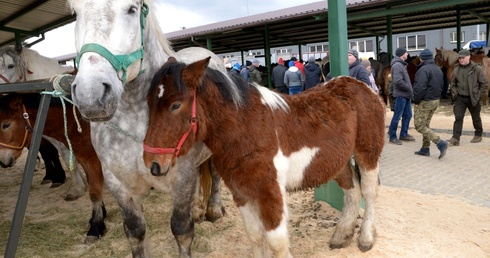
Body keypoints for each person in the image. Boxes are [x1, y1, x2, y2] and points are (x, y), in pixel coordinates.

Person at [412, 48, 448, 159]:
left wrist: (416, 100)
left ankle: (440, 142)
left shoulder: (423, 70)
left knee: (419, 126)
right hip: (435, 101)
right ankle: (425, 148)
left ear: (421, 58)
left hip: (425, 102)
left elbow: (419, 87)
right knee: (426, 125)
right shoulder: (437, 69)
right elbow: (443, 85)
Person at [447, 49, 488, 146]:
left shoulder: (476, 69)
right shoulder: (456, 68)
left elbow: (484, 83)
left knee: (476, 117)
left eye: (463, 58)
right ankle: (455, 138)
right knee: (458, 118)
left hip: (473, 98)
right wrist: (455, 94)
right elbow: (453, 83)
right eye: (460, 58)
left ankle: (478, 134)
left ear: (469, 57)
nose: (461, 60)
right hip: (460, 98)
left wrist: (477, 95)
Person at [388, 47, 414, 145]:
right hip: (401, 95)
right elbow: (398, 81)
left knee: (408, 115)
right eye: (406, 52)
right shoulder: (398, 65)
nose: (407, 54)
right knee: (397, 116)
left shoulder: (402, 65)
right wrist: (408, 88)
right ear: (402, 54)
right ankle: (392, 136)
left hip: (405, 95)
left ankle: (404, 134)